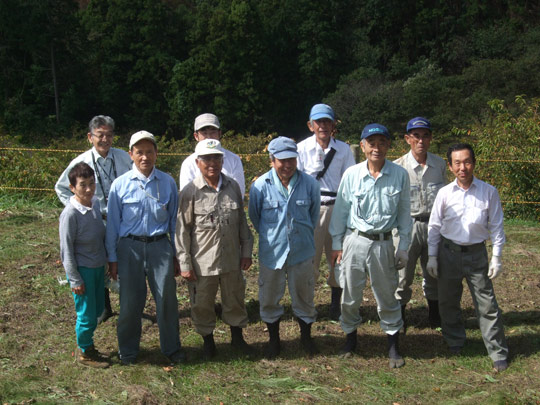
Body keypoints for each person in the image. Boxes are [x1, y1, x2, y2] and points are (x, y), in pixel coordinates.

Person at [329, 123, 412, 368]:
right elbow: (341, 211)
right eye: (371, 143)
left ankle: (393, 345)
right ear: (363, 146)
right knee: (350, 294)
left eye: (382, 143)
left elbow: (405, 213)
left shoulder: (400, 175)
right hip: (354, 241)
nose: (377, 148)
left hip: (383, 243)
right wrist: (337, 244)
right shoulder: (351, 174)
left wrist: (403, 246)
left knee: (387, 295)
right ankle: (350, 339)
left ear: (389, 145)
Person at [427, 143, 509, 372]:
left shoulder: (488, 192)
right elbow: (434, 227)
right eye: (457, 163)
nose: (463, 167)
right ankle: (455, 340)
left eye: (467, 162)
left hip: (477, 255)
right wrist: (432, 257)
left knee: (487, 305)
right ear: (450, 167)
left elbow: (497, 227)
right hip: (448, 253)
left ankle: (497, 351)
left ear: (474, 163)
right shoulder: (444, 194)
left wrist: (497, 258)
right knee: (448, 301)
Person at [106, 131, 185, 366]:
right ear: (131, 154)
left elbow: (174, 222)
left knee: (167, 299)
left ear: (156, 154)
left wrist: (178, 256)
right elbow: (112, 225)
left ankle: (172, 348)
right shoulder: (119, 186)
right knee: (130, 302)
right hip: (128, 248)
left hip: (160, 247)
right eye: (139, 152)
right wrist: (112, 258)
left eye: (149, 152)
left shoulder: (168, 182)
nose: (144, 157)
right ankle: (128, 351)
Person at [176, 139, 254, 359]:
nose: (212, 163)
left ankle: (237, 338)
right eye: (207, 159)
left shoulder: (233, 187)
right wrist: (185, 263)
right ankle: (208, 342)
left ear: (222, 160)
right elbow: (182, 230)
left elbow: (241, 222)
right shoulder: (190, 192)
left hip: (231, 257)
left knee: (235, 298)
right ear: (197, 162)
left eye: (216, 158)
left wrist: (246, 250)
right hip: (203, 260)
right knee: (202, 303)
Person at [248, 137, 320, 358]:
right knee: (269, 297)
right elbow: (255, 217)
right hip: (272, 253)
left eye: (292, 160)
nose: (287, 165)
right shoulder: (260, 186)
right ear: (272, 160)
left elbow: (314, 216)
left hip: (302, 251)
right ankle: (274, 340)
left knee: (304, 295)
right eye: (282, 160)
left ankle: (306, 338)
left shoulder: (309, 184)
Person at [55, 115, 132, 323]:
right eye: (100, 135)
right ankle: (104, 308)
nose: (105, 139)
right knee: (98, 261)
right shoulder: (81, 162)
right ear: (90, 137)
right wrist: (79, 208)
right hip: (96, 220)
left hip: (123, 220)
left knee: (122, 260)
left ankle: (129, 307)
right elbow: (61, 187)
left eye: (109, 135)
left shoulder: (124, 158)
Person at [297, 104, 356, 320]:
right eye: (319, 122)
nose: (323, 126)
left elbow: (349, 181)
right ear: (310, 125)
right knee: (308, 259)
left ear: (333, 125)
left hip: (337, 208)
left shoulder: (344, 149)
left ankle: (336, 304)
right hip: (311, 209)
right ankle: (307, 305)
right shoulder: (300, 149)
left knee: (338, 257)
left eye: (327, 122)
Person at [393, 117, 446, 330]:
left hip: (434, 225)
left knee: (434, 272)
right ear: (408, 139)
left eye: (425, 136)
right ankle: (400, 318)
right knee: (402, 274)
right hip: (408, 226)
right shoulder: (398, 167)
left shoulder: (440, 164)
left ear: (431, 138)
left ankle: (435, 316)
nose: (421, 141)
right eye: (416, 136)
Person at [59, 162, 110, 368]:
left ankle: (87, 345)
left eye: (91, 183)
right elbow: (66, 250)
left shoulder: (95, 204)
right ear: (72, 187)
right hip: (84, 271)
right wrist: (74, 279)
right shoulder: (70, 214)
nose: (88, 189)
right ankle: (85, 351)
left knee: (97, 309)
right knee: (87, 314)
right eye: (82, 185)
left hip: (98, 267)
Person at [179, 113, 245, 197]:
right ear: (196, 136)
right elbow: (186, 197)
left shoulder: (234, 159)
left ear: (219, 133)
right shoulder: (188, 163)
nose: (209, 137)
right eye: (204, 133)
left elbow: (239, 194)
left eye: (213, 132)